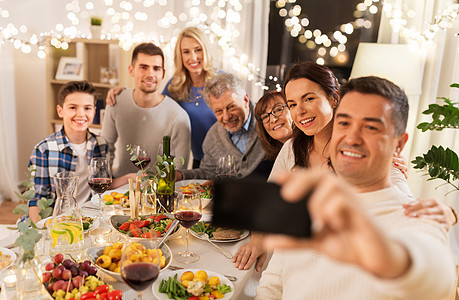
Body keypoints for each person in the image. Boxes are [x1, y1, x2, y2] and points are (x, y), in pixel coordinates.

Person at [256, 76, 456, 299]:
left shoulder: (414, 216)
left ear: (398, 144)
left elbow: (436, 275)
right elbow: (273, 282)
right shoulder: (311, 202)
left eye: (370, 127)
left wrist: (390, 259)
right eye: (344, 123)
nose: (352, 138)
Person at [106, 27, 217, 168]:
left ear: (205, 50)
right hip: (199, 161)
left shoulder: (220, 81)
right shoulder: (176, 85)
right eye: (186, 52)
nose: (193, 57)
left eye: (198, 50)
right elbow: (153, 98)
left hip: (224, 158)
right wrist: (122, 92)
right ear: (180, 55)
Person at [28, 81, 135, 223]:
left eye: (87, 108)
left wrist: (130, 177)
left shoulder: (101, 144)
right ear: (60, 111)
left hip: (89, 218)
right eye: (73, 107)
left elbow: (103, 183)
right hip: (58, 221)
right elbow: (37, 200)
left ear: (94, 111)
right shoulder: (44, 150)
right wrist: (40, 234)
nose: (81, 114)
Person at [101, 43, 191, 178]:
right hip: (119, 189)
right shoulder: (115, 101)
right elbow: (105, 150)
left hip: (157, 193)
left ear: (163, 74)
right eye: (144, 67)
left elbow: (178, 170)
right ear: (131, 70)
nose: (150, 74)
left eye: (156, 68)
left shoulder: (179, 116)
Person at [175, 72, 271, 181]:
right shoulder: (212, 137)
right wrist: (181, 175)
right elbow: (208, 172)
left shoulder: (268, 120)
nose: (226, 117)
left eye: (231, 107)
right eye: (219, 111)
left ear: (245, 100)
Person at [254, 91, 293, 161]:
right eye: (265, 117)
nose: (273, 120)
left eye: (278, 110)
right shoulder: (275, 159)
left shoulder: (315, 148)